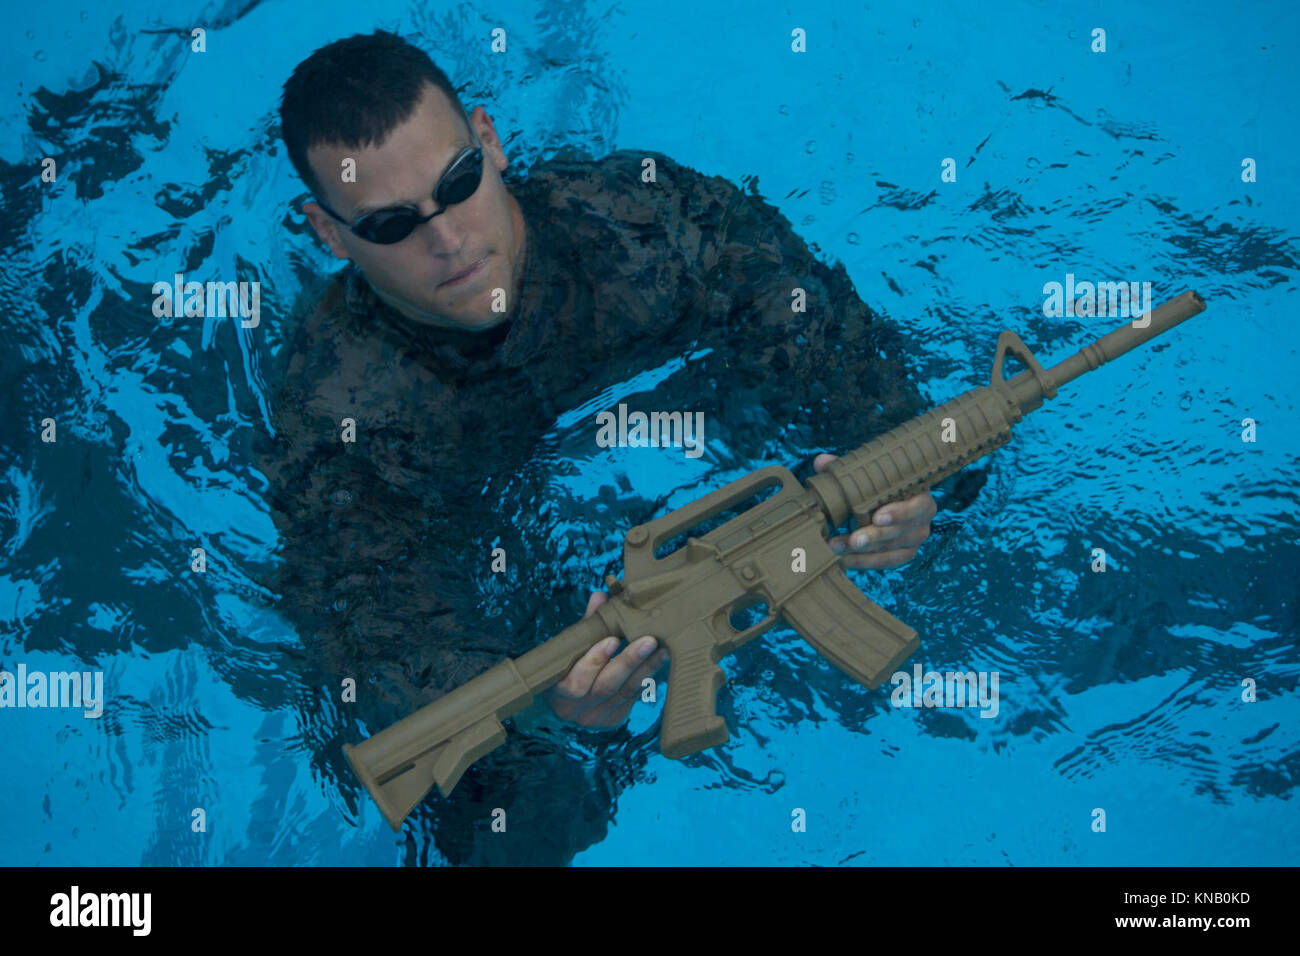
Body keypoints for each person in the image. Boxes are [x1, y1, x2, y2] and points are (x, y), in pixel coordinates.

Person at [256, 30, 936, 863]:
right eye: (393, 224)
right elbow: (385, 646)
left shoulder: (637, 227)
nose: (448, 241)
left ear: (489, 140)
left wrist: (906, 474)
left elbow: (824, 336)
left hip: (711, 443)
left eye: (460, 183)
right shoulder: (343, 415)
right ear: (330, 235)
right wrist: (550, 715)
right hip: (494, 568)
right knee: (515, 811)